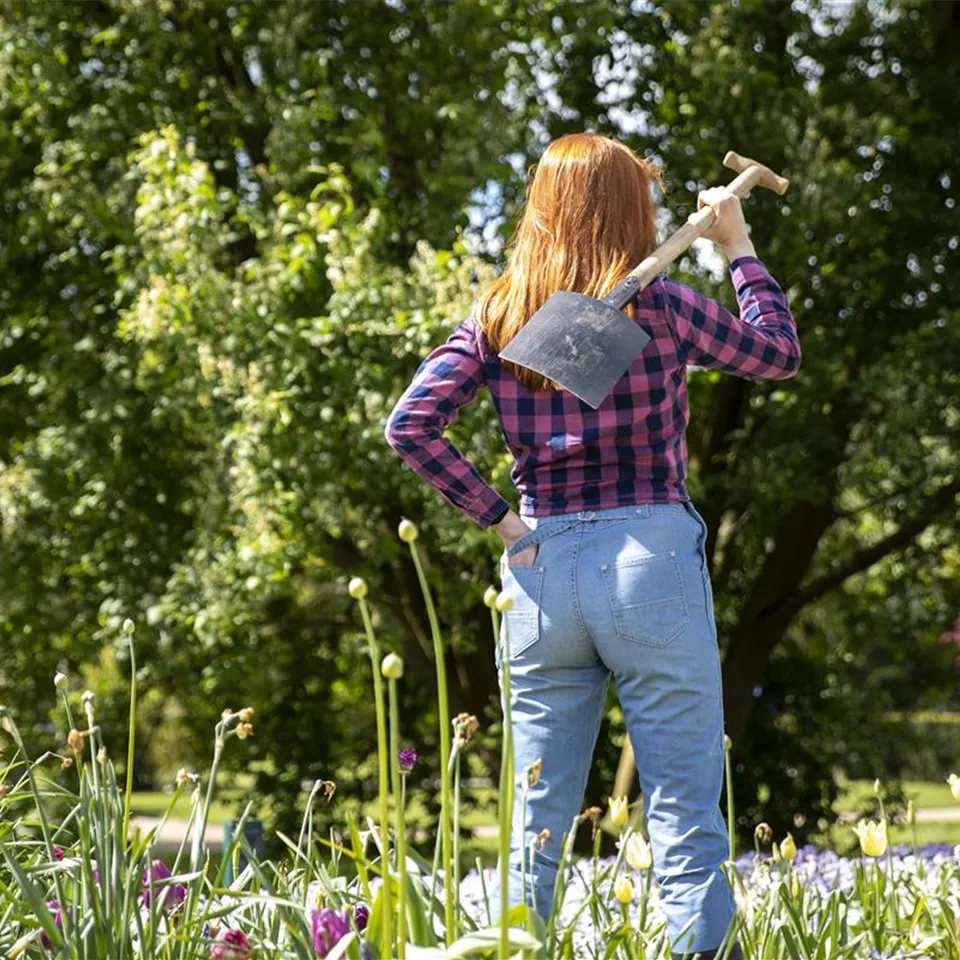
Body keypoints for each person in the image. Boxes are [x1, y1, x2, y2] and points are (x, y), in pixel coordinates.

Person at [383, 132, 800, 960]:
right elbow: (777, 354)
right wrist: (738, 244)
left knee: (534, 826)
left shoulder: (500, 311)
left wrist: (503, 522)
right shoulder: (667, 306)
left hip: (541, 572)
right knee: (682, 811)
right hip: (651, 558)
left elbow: (410, 425)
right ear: (629, 211)